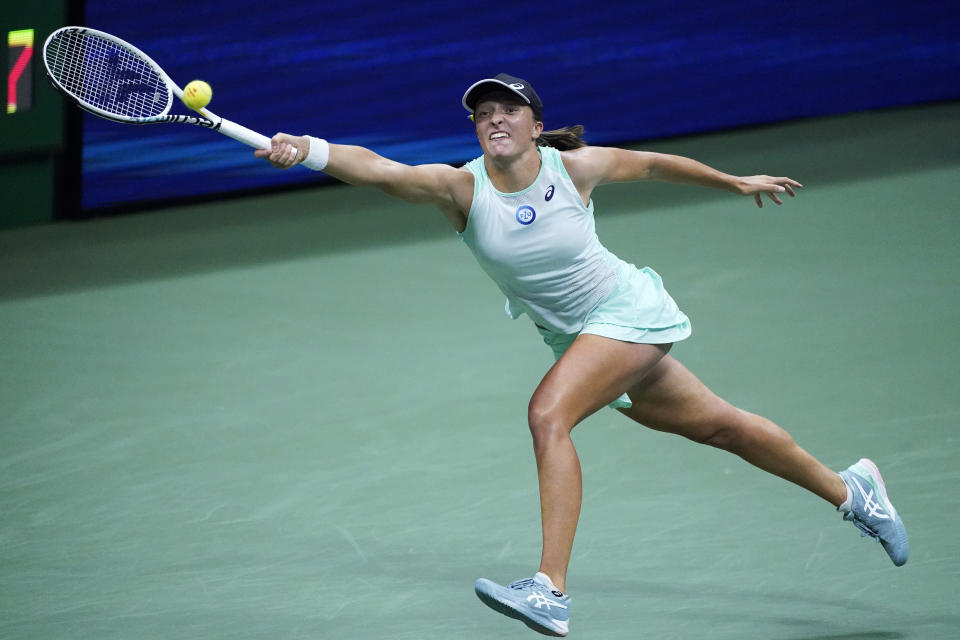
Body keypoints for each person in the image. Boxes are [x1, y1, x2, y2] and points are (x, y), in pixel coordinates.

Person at [255, 73, 908, 637]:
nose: (494, 120)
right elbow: (380, 168)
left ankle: (551, 588)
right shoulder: (460, 189)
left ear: (536, 126)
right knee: (724, 427)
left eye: (507, 110)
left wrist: (733, 182)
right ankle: (853, 492)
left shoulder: (576, 168)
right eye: (483, 113)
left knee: (548, 415)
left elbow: (653, 164)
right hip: (579, 338)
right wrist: (307, 150)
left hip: (626, 312)